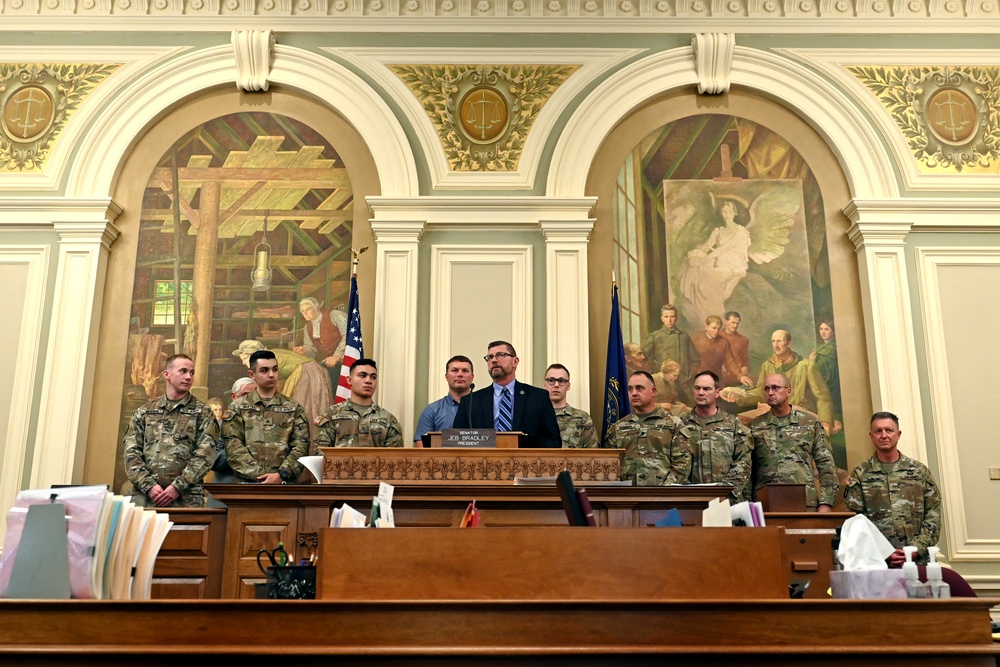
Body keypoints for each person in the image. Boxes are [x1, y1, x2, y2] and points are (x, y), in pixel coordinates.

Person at [844, 412, 941, 566]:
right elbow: (855, 520)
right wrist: (883, 552)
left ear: (898, 434)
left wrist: (917, 549)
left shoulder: (919, 471)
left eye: (889, 430)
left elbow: (933, 513)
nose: (884, 435)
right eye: (878, 431)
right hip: (876, 563)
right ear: (871, 435)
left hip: (919, 562)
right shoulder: (860, 474)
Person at [123, 354, 219, 507]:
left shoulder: (203, 413)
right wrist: (149, 486)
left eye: (192, 372)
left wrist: (177, 487)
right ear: (166, 374)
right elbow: (131, 453)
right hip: (145, 497)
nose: (188, 377)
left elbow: (205, 455)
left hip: (186, 498)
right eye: (183, 371)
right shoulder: (145, 412)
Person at [748, 373, 839, 511]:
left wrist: (826, 503)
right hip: (765, 505)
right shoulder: (755, 426)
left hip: (804, 503)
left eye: (775, 388)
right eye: (766, 389)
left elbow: (826, 465)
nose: (770, 392)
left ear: (788, 391)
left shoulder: (810, 423)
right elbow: (746, 469)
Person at [721, 329, 835, 433]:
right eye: (773, 341)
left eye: (779, 341)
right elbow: (761, 392)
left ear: (789, 343)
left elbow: (823, 398)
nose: (776, 345)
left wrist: (825, 422)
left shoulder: (806, 366)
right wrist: (741, 396)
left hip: (799, 417)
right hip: (774, 415)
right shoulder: (767, 365)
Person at [452, 341, 561, 448]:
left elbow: (553, 441)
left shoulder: (538, 397)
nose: (494, 360)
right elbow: (456, 442)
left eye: (501, 355)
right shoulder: (471, 401)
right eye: (490, 357)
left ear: (515, 361)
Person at [223, 350, 310, 484]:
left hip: (284, 485)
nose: (271, 375)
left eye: (274, 370)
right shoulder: (237, 407)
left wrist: (281, 475)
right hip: (247, 486)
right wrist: (261, 476)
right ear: (252, 374)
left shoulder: (294, 408)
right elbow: (233, 446)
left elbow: (301, 445)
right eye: (264, 370)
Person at [604, 371, 693, 486]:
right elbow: (609, 466)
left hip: (663, 498)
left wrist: (663, 492)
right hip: (627, 499)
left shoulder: (673, 424)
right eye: (630, 389)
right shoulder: (618, 427)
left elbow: (682, 464)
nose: (634, 393)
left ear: (653, 391)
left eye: (639, 388)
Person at [678, 370, 752, 503]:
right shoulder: (680, 424)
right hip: (691, 502)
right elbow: (675, 463)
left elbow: (744, 461)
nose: (701, 393)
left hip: (728, 500)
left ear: (717, 392)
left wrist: (724, 492)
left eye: (706, 389)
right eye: (697, 388)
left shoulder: (733, 423)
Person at [677, 200, 752, 327]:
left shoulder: (741, 231)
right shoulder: (718, 230)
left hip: (733, 265)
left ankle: (714, 316)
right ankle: (697, 312)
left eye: (729, 211)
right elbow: (706, 246)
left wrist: (703, 259)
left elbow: (724, 249)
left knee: (705, 277)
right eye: (723, 211)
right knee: (691, 263)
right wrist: (695, 252)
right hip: (718, 261)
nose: (726, 214)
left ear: (734, 213)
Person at [314, 358, 403, 448]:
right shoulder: (331, 415)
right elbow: (321, 454)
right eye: (362, 375)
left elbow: (394, 458)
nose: (368, 381)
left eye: (373, 377)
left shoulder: (388, 420)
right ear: (349, 380)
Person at [414, 355, 475, 443]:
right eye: (455, 370)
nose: (460, 374)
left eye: (465, 371)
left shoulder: (484, 408)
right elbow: (421, 445)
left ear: (472, 377)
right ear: (446, 376)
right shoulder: (432, 410)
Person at [641, 304, 700, 392]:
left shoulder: (684, 336)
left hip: (683, 383)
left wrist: (689, 376)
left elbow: (696, 360)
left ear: (676, 318)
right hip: (663, 383)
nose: (669, 320)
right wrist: (655, 373)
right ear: (662, 318)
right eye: (666, 316)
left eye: (672, 316)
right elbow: (642, 358)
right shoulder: (654, 336)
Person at [210, 377, 257, 484]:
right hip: (226, 491)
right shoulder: (219, 426)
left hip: (259, 491)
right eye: (245, 395)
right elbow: (212, 459)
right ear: (234, 397)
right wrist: (244, 448)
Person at [544, 363, 598, 448]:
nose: (556, 385)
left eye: (561, 381)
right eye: (551, 380)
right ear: (544, 385)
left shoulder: (582, 418)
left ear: (568, 386)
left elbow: (594, 455)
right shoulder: (534, 417)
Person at [293, 296, 348, 368]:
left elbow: (348, 336)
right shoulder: (308, 327)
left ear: (316, 308)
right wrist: (305, 351)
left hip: (346, 361)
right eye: (302, 311)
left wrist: (337, 355)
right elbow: (312, 349)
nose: (305, 313)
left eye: (308, 309)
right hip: (327, 364)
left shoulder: (335, 316)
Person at [690, 315, 743, 388]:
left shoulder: (723, 342)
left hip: (716, 381)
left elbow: (730, 362)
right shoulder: (695, 339)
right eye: (714, 328)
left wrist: (740, 376)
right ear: (706, 326)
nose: (716, 331)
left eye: (718, 328)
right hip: (697, 379)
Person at [810, 317, 841, 429]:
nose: (822, 332)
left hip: (828, 391)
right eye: (821, 328)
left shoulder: (826, 352)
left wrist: (811, 363)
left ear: (833, 331)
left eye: (826, 329)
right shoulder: (821, 348)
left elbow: (819, 375)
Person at [719, 310, 752, 387]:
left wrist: (745, 369)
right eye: (733, 322)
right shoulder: (717, 336)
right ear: (726, 322)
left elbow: (745, 360)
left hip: (736, 379)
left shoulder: (743, 340)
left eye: (737, 323)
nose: (735, 326)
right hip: (719, 379)